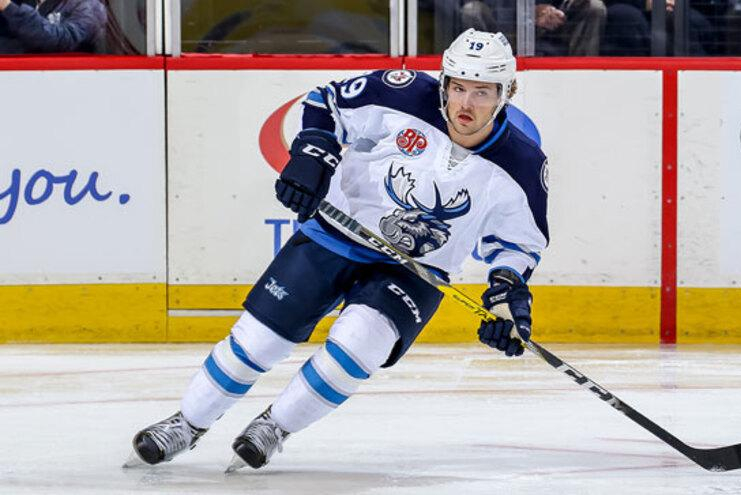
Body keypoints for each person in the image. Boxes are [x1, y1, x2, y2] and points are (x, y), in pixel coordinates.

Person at [126, 28, 549, 472]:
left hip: (413, 272)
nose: (465, 104)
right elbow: (325, 102)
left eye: (481, 92)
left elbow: (518, 243)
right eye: (458, 87)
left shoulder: (523, 165)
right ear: (443, 82)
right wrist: (313, 156)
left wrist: (507, 294)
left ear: (506, 93)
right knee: (259, 341)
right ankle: (187, 423)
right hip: (335, 235)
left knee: (358, 346)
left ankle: (275, 427)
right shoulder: (401, 93)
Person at [459, 0, 606, 56]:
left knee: (594, 6)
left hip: (558, 27)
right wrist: (528, 12)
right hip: (504, 31)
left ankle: (582, 72)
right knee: (472, 10)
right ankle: (481, 71)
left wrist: (563, 10)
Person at [0, 0, 107, 54]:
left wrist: (8, 7)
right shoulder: (31, 2)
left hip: (68, 80)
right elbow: (17, 43)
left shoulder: (89, 5)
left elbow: (63, 41)